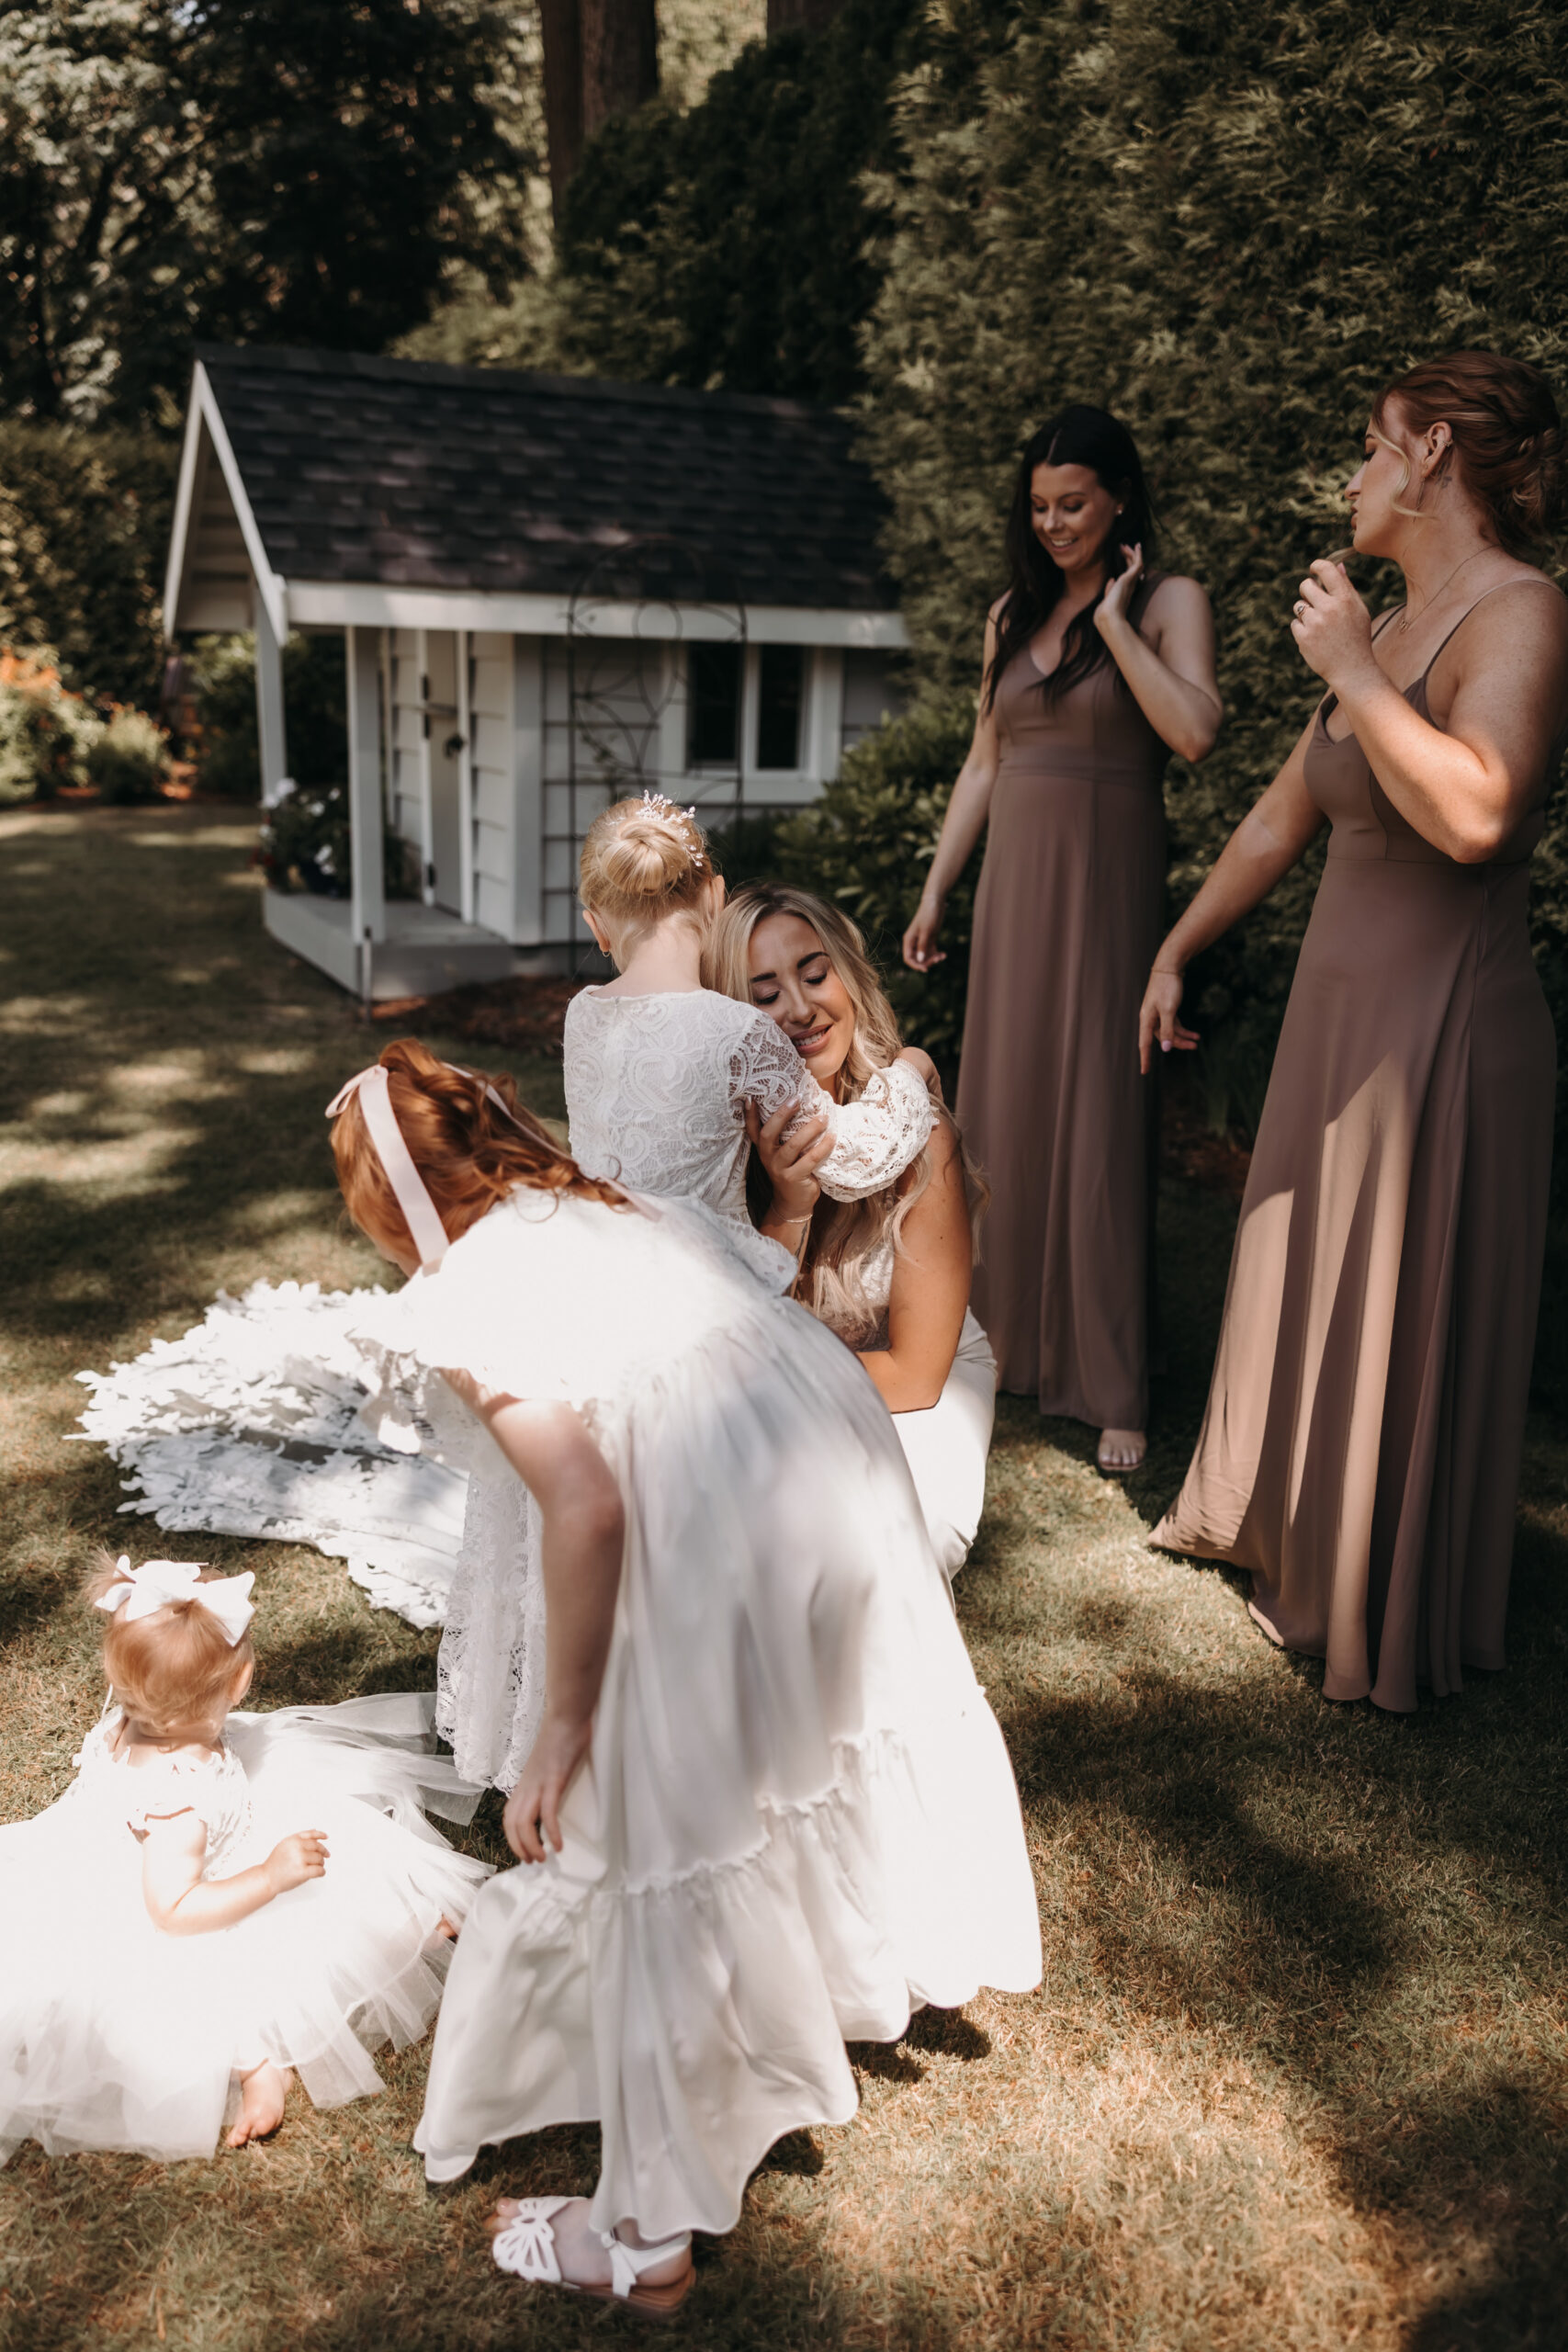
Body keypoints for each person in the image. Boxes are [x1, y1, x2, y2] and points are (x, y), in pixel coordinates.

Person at [333, 1041, 1042, 2316]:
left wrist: (559, 1729)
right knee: (786, 1754)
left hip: (722, 1513)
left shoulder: (461, 1295)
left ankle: (644, 2237)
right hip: (829, 1480)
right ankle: (798, 2003)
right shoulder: (609, 1203)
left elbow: (586, 1509)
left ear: (391, 1204)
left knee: (641, 1827)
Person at [1142, 350, 1568, 1712]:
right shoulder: (1385, 619)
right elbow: (1282, 812)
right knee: (1310, 1272)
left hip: (1434, 1034)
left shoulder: (1519, 613)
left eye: (1370, 445)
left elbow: (1476, 814)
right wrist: (1175, 944)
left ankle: (1377, 1595)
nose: (1352, 472)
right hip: (1337, 1015)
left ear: (1432, 453)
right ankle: (1286, 1533)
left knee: (1397, 1297)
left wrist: (1351, 674)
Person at [903, 404, 1223, 1475]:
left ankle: (1113, 1377)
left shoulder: (1172, 599)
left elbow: (1193, 732)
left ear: (1121, 498)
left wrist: (1120, 622)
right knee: (1009, 1111)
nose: (1054, 524)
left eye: (1074, 503)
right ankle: (1008, 1344)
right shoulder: (1011, 613)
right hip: (1015, 893)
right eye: (1038, 507)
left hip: (1108, 889)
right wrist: (940, 887)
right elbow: (985, 762)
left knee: (1100, 1115)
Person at [0, 1553, 490, 2165]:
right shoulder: (180, 1804)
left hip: (191, 1846)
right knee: (232, 1972)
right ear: (239, 1682)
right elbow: (173, 1912)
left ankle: (401, 1929)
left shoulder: (143, 1718)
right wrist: (266, 1876)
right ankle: (260, 2062)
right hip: (180, 1901)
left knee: (338, 1844)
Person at [706, 882, 996, 1579]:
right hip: (775, 1376)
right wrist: (790, 1203)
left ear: (848, 977)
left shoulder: (910, 1128)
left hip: (907, 1378)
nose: (802, 1008)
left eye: (813, 974)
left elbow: (918, 1375)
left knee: (893, 1550)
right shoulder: (715, 1136)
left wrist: (760, 1394)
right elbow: (744, 1333)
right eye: (765, 993)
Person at [564, 792, 938, 1284]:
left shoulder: (583, 1014)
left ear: (599, 929)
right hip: (706, 1295)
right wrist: (913, 1067)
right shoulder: (741, 1032)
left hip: (605, 1275)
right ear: (716, 897)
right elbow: (848, 1155)